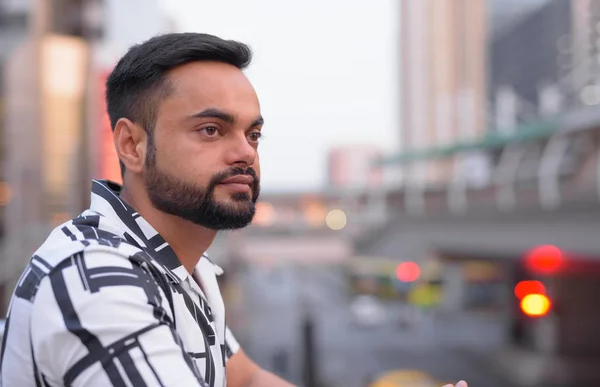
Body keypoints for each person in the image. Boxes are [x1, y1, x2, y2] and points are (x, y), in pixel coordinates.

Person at [0, 32, 468, 387]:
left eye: (253, 134)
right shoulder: (99, 281)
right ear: (131, 145)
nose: (244, 151)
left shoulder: (180, 266)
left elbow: (245, 379)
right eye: (210, 130)